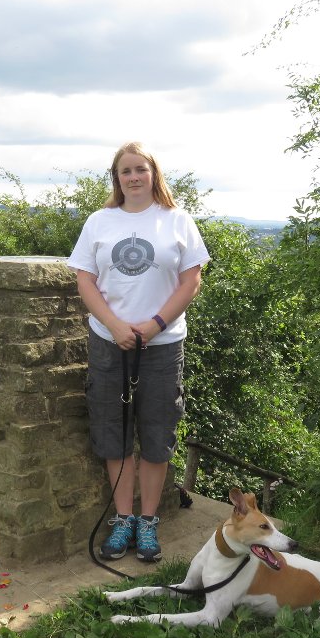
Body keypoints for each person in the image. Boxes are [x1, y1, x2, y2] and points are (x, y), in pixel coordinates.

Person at [68, 141, 210, 562]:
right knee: (113, 431)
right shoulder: (100, 221)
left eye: (140, 170)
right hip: (109, 344)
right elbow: (85, 280)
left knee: (156, 431)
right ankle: (123, 518)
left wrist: (154, 326)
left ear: (154, 174)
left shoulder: (177, 220)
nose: (133, 177)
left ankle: (148, 522)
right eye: (125, 171)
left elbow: (190, 281)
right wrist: (114, 326)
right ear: (117, 178)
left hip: (162, 345)